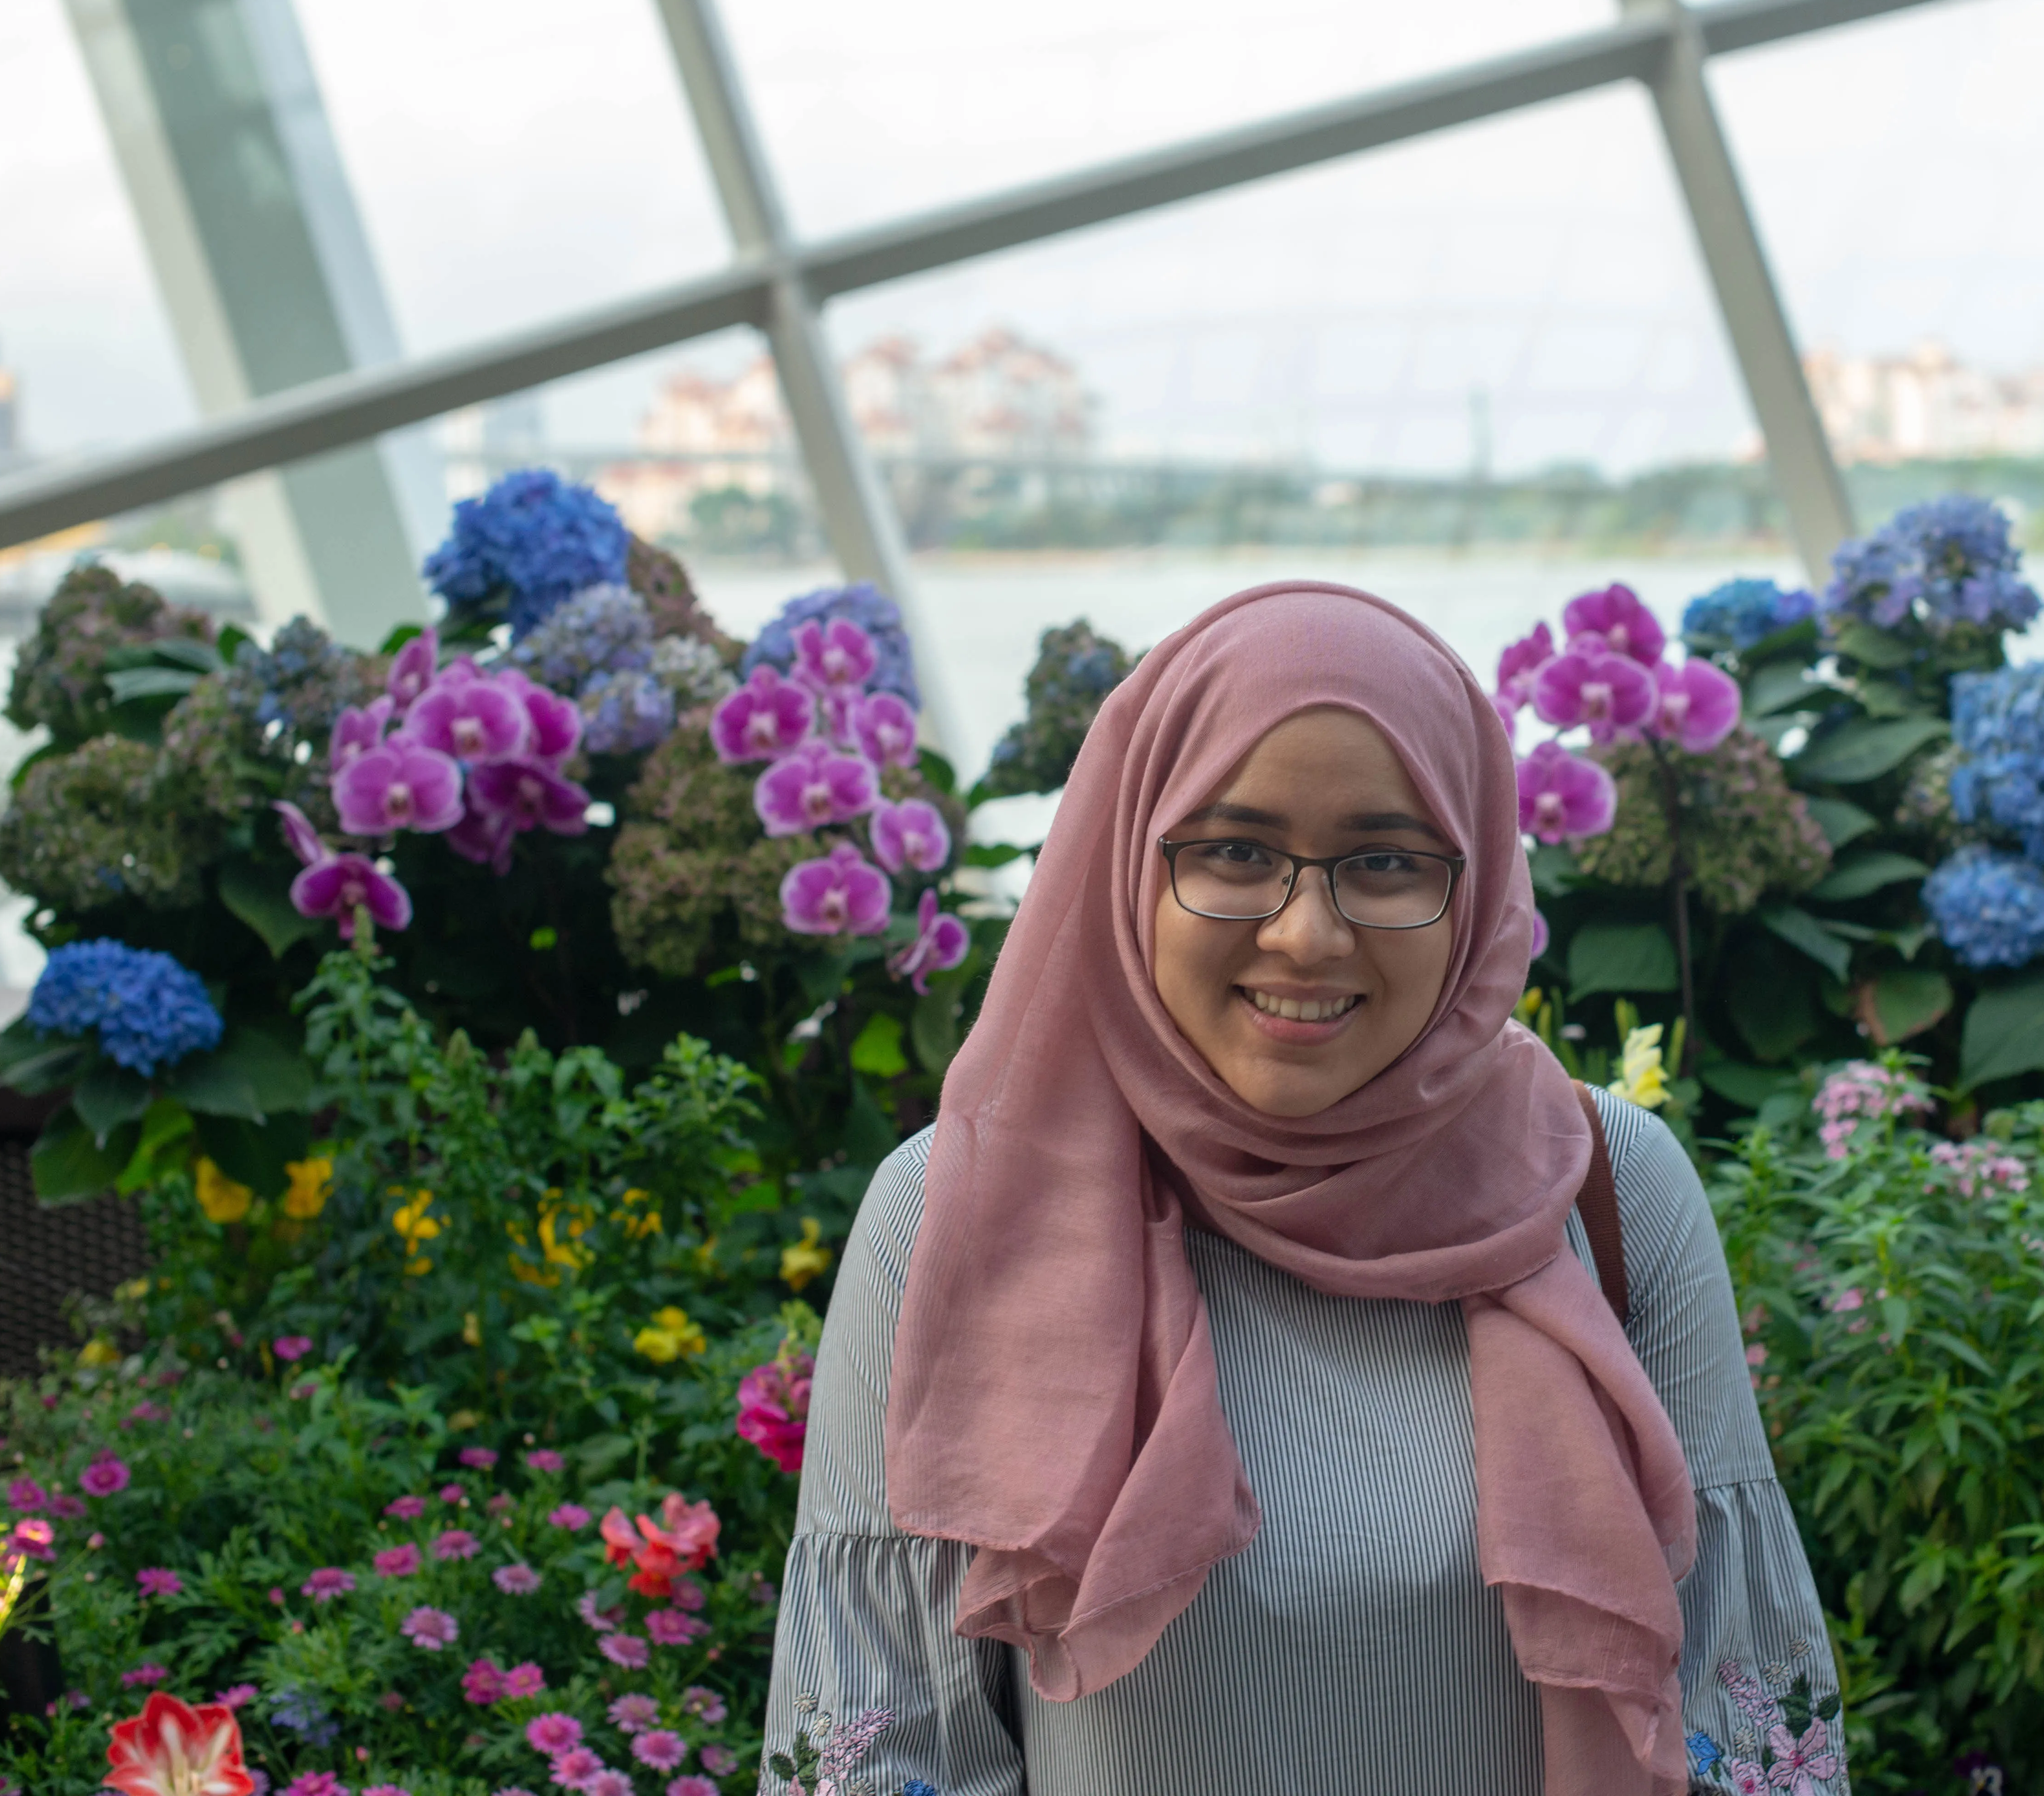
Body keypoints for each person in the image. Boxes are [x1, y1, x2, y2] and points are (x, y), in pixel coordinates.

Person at [761, 584, 1843, 1796]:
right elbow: (882, 1742)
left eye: (1384, 861)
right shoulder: (962, 1206)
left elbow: (1751, 1729)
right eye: (1233, 853)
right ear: (1129, 861)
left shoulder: (1605, 1186)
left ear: (1477, 879)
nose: (1306, 934)